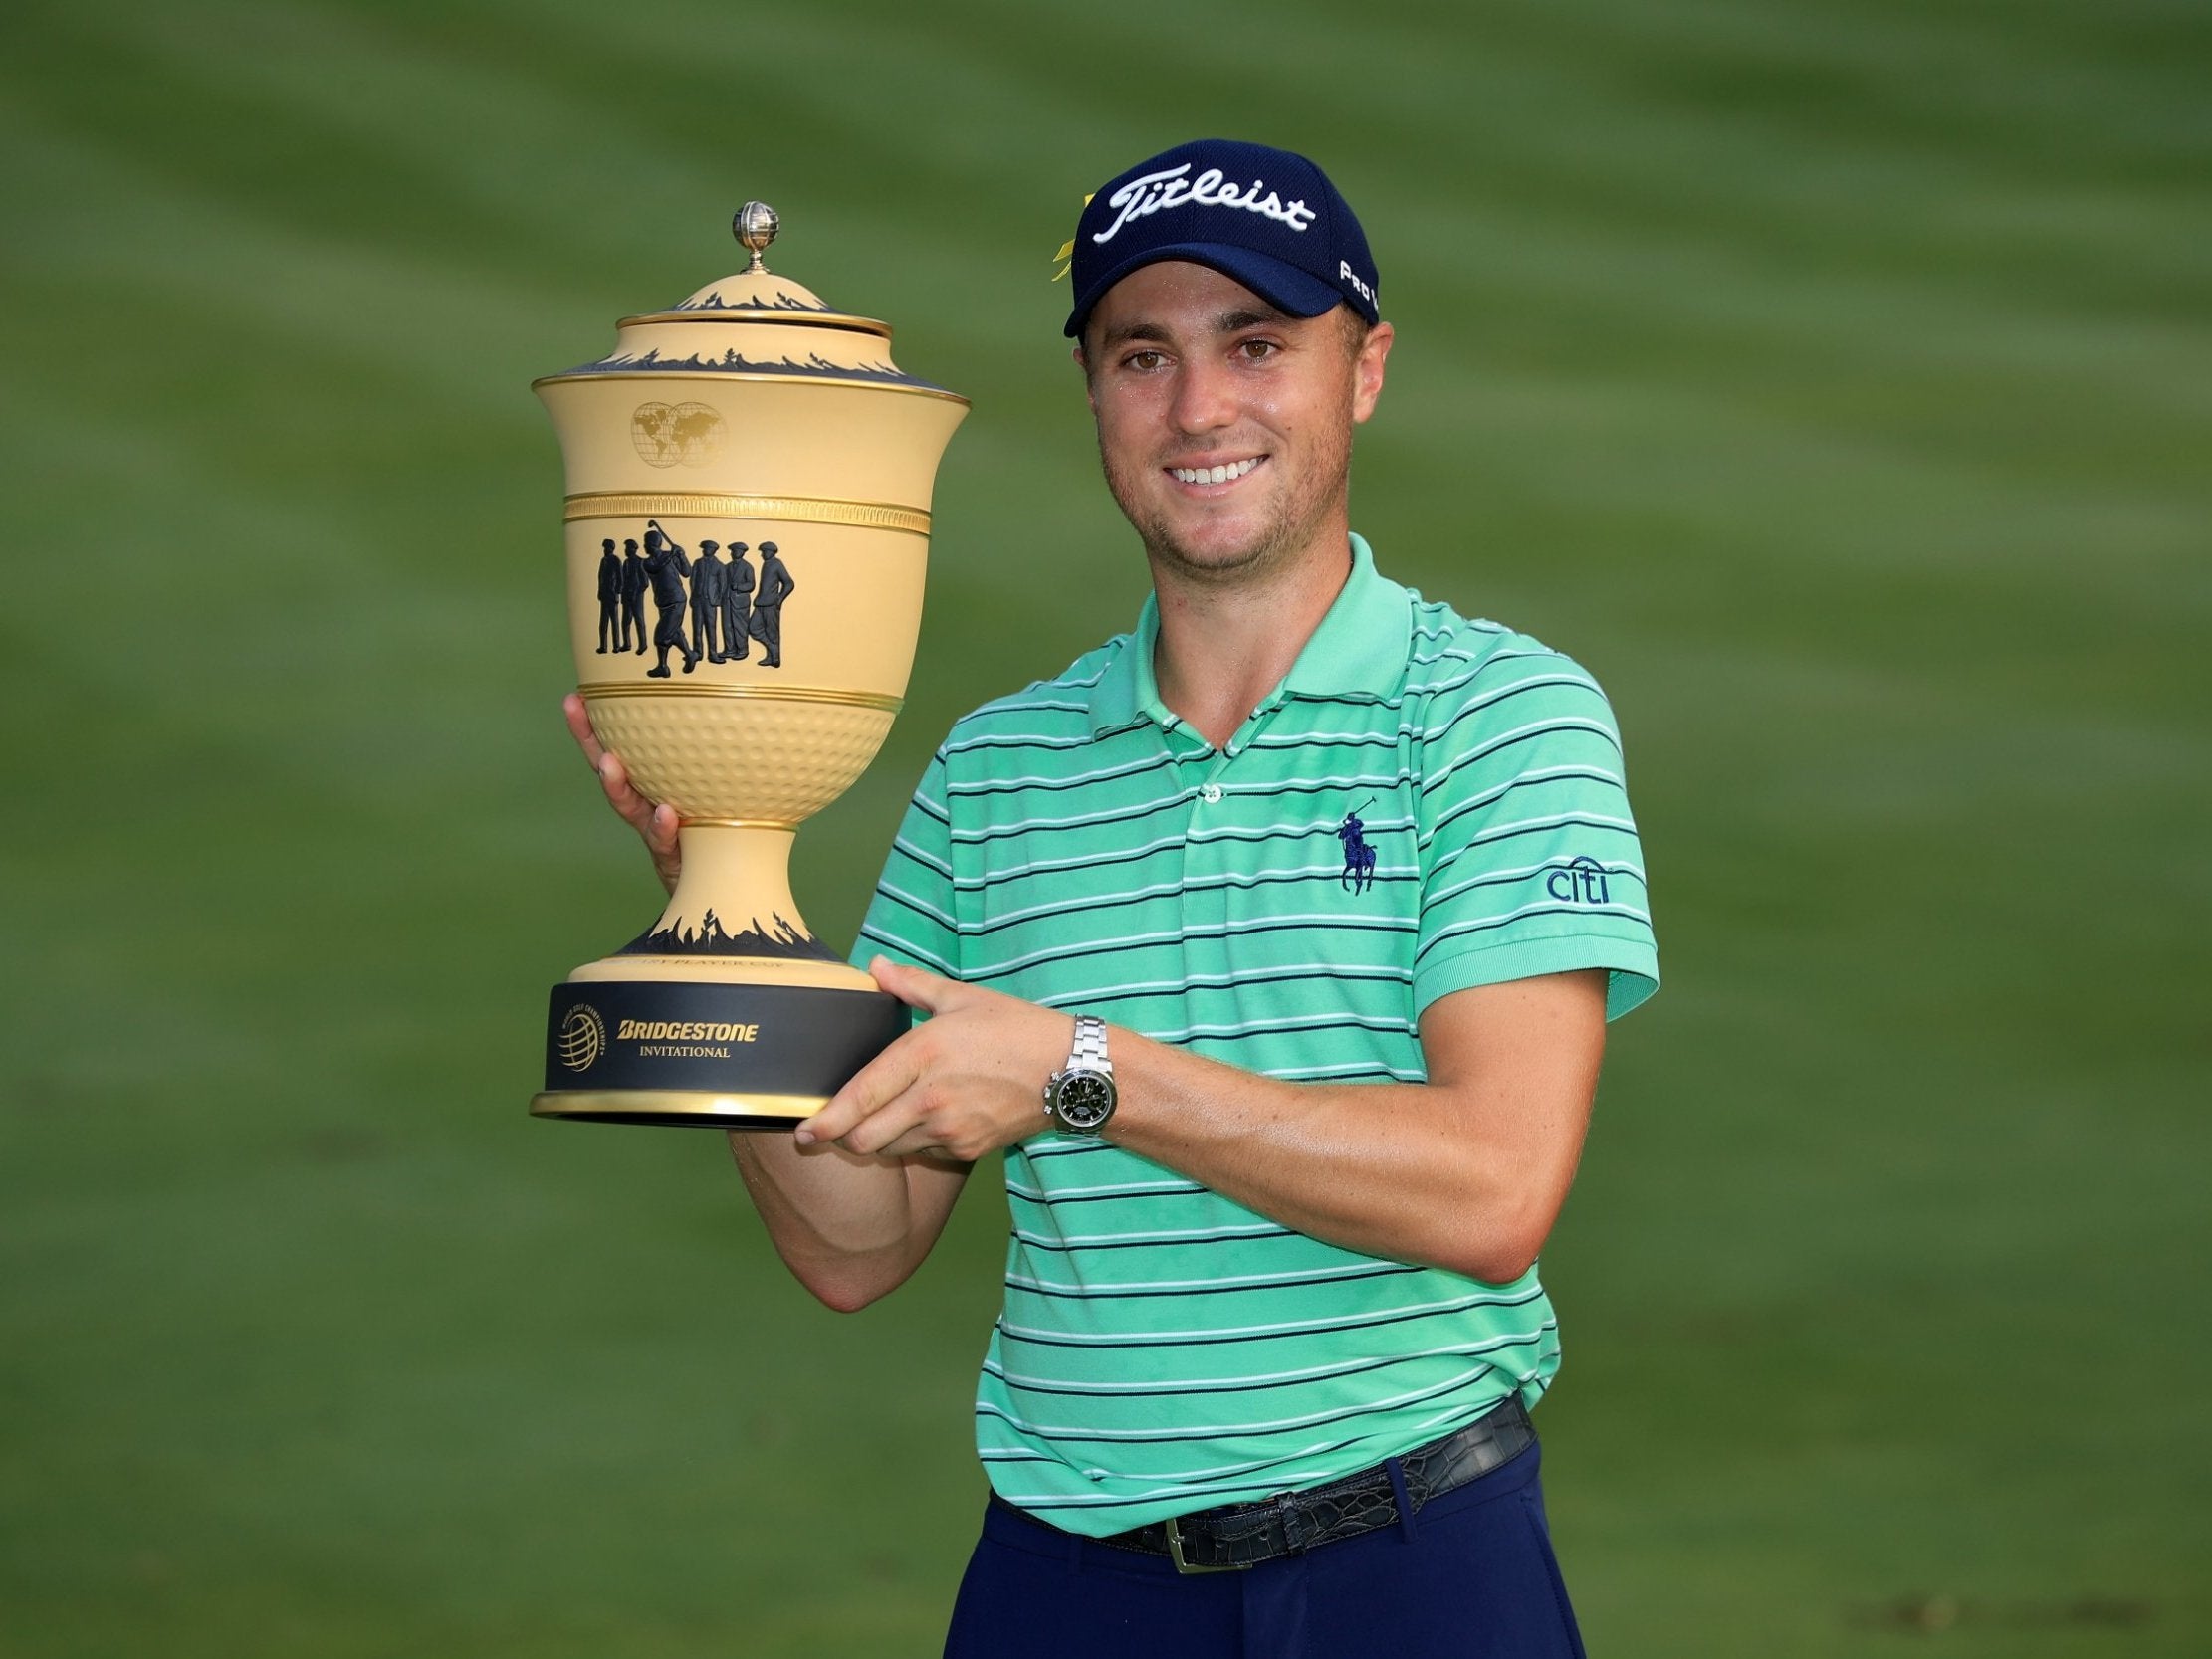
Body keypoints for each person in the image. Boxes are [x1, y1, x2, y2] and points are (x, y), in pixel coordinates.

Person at [565, 138, 1658, 1658]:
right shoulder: (995, 769)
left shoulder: (1497, 714)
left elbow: (1491, 1185)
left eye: (1256, 345)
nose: (1198, 408)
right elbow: (854, 1241)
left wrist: (1079, 1073)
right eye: (1142, 354)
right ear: (1092, 391)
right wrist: (722, 901)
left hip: (1408, 1567)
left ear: (1366, 369)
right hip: (1068, 1588)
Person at [640, 523, 697, 679]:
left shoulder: (669, 556)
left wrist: (681, 556)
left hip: (676, 600)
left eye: (645, 544)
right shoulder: (647, 562)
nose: (644, 547)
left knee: (661, 635)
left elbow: (686, 572)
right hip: (663, 602)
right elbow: (657, 567)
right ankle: (690, 654)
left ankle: (662, 667)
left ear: (652, 545)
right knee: (675, 632)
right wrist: (673, 554)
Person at [748, 540, 794, 668]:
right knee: (752, 628)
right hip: (760, 603)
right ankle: (772, 650)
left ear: (770, 552)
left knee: (772, 632)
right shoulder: (766, 564)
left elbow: (789, 583)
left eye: (763, 552)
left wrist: (780, 599)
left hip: (771, 605)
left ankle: (774, 658)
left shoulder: (777, 564)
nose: (762, 555)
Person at [691, 539, 729, 662]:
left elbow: (722, 585)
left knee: (711, 628)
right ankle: (697, 652)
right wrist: (693, 596)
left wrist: (717, 600)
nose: (704, 550)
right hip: (698, 600)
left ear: (713, 550)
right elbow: (693, 581)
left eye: (707, 548)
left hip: (710, 602)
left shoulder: (719, 566)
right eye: (704, 548)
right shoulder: (697, 563)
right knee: (697, 628)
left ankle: (712, 654)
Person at [617, 537, 648, 655]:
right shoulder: (626, 563)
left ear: (633, 549)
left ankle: (643, 644)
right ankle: (627, 643)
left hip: (637, 597)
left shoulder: (641, 562)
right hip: (626, 597)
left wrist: (636, 593)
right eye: (626, 548)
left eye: (628, 548)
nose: (626, 550)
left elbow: (645, 583)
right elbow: (623, 580)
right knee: (625, 621)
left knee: (639, 620)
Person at [593, 537, 622, 654]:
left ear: (611, 548)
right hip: (604, 595)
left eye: (606, 548)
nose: (605, 550)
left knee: (614, 623)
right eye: (604, 548)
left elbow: (620, 577)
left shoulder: (615, 560)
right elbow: (600, 578)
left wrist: (617, 592)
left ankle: (616, 646)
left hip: (612, 595)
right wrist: (600, 591)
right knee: (603, 623)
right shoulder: (603, 560)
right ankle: (603, 646)